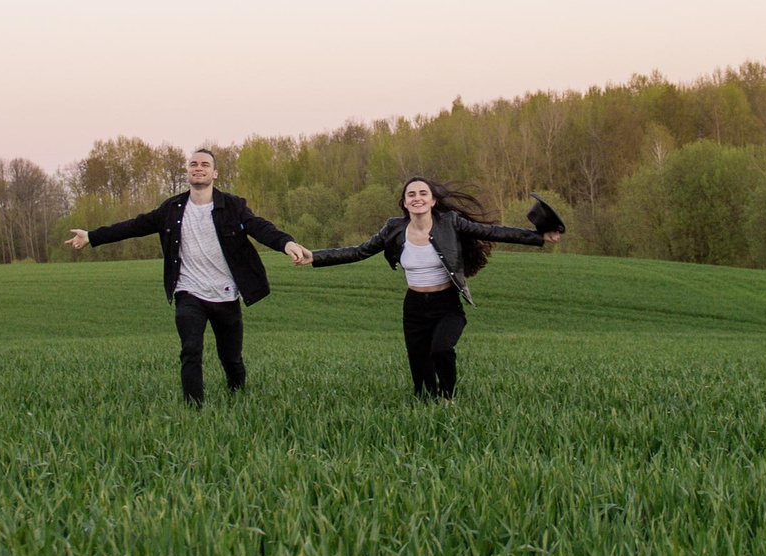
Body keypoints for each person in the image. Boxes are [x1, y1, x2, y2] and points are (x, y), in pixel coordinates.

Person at [66, 148, 312, 405]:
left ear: (214, 173)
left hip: (225, 293)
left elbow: (260, 227)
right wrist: (91, 236)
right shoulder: (171, 209)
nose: (198, 167)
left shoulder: (232, 206)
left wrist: (287, 244)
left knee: (231, 358)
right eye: (193, 164)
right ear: (187, 171)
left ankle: (238, 397)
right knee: (191, 350)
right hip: (189, 291)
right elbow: (134, 226)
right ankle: (194, 410)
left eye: (205, 164)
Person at [304, 178, 559, 398]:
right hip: (414, 307)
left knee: (441, 349)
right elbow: (359, 251)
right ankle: (429, 403)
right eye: (411, 194)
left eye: (423, 193)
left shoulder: (450, 222)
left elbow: (491, 232)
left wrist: (538, 237)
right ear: (404, 203)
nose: (417, 198)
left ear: (433, 201)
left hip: (447, 304)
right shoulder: (394, 229)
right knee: (422, 380)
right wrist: (315, 257)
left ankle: (449, 398)